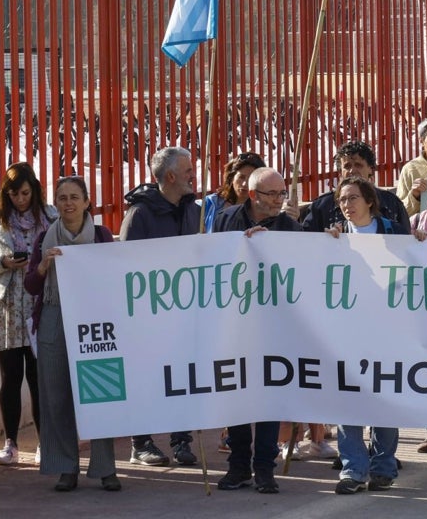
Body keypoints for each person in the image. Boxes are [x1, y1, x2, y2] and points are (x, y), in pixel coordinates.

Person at [24, 176, 118, 491]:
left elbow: (117, 276)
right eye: (62, 198)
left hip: (95, 320)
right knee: (56, 394)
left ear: (87, 201)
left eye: (75, 197)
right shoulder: (44, 238)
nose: (68, 203)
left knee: (101, 389)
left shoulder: (102, 236)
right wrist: (42, 267)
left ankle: (106, 468)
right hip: (54, 315)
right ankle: (66, 467)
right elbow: (31, 287)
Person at [212, 167, 299, 493]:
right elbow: (215, 257)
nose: (279, 201)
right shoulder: (227, 218)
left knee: (268, 400)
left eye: (281, 194)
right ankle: (238, 466)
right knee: (236, 395)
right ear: (252, 195)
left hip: (273, 326)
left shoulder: (290, 226)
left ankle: (264, 468)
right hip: (234, 322)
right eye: (272, 195)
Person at [120, 146, 202, 467]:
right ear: (170, 176)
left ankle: (182, 440)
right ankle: (141, 442)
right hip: (149, 313)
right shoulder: (140, 215)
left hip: (184, 311)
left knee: (183, 375)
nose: (193, 175)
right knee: (148, 377)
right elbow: (125, 264)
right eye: (187, 171)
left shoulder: (192, 210)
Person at [325, 177, 401, 493]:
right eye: (342, 200)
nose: (347, 205)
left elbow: (416, 263)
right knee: (348, 400)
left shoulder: (393, 231)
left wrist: (423, 241)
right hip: (350, 332)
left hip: (389, 330)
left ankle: (383, 467)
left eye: (353, 197)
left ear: (369, 200)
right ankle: (353, 470)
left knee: (385, 398)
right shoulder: (335, 236)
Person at [0, 164, 53, 466]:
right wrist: (4, 262)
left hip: (39, 304)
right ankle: (10, 444)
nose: (20, 199)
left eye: (24, 193)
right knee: (10, 377)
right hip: (5, 307)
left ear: (34, 189)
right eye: (14, 194)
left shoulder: (50, 216)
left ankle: (45, 443)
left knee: (38, 377)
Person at [301, 141, 410, 233]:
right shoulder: (322, 207)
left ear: (370, 169)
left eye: (358, 165)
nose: (352, 171)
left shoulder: (391, 204)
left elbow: (405, 242)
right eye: (347, 166)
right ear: (340, 173)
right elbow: (307, 242)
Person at [203, 151, 265, 229]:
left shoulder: (264, 209)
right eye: (241, 177)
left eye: (251, 179)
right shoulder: (211, 203)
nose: (244, 184)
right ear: (231, 177)